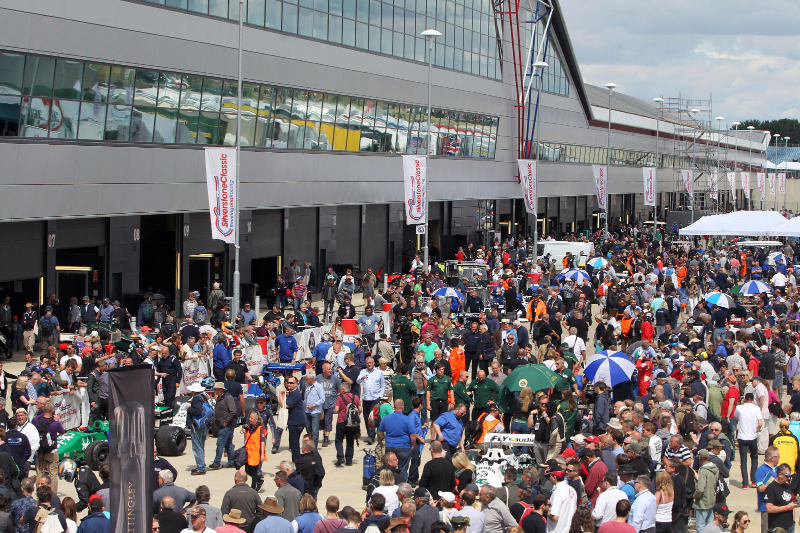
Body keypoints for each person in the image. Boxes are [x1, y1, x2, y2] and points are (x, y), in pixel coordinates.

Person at [378, 399, 415, 482]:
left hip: (390, 446)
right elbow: (413, 435)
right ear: (402, 407)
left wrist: (384, 438)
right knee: (403, 468)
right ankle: (401, 485)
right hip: (404, 446)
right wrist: (412, 445)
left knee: (389, 467)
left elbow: (380, 431)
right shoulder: (406, 419)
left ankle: (389, 483)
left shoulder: (386, 418)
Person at [735, 392, 763, 488]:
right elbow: (760, 423)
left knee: (743, 460)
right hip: (752, 436)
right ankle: (754, 480)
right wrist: (756, 430)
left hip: (742, 437)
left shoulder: (739, 407)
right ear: (753, 399)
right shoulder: (756, 408)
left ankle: (745, 483)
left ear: (745, 399)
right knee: (754, 458)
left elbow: (736, 416)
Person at [210, 382, 238, 470]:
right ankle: (231, 461)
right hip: (223, 424)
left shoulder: (228, 397)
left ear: (220, 389)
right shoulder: (220, 397)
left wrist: (226, 421)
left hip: (226, 425)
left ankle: (216, 463)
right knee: (228, 444)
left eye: (215, 389)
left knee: (220, 443)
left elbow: (233, 411)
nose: (214, 390)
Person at [358, 357, 386, 444]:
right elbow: (357, 381)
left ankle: (371, 436)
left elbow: (382, 385)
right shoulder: (363, 371)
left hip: (375, 398)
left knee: (372, 417)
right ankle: (370, 435)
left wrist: (380, 395)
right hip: (366, 398)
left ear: (373, 363)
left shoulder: (379, 372)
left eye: (370, 363)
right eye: (367, 363)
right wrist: (362, 378)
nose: (369, 364)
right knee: (366, 417)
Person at [279, 375, 307, 462]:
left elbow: (285, 406)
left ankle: (296, 462)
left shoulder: (295, 394)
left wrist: (280, 394)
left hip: (296, 422)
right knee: (294, 444)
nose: (289, 384)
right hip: (295, 422)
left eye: (291, 383)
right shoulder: (293, 393)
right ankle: (296, 461)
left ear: (296, 384)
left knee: (294, 444)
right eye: (288, 382)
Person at [763, 462, 796, 533]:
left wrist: (793, 521)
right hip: (778, 528)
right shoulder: (771, 488)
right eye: (787, 476)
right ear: (780, 475)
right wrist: (786, 508)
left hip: (790, 526)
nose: (789, 478)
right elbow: (769, 508)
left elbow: (791, 502)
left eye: (790, 476)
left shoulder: (787, 485)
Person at [186, 382, 210, 475]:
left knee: (197, 446)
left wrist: (188, 408)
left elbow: (197, 411)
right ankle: (201, 464)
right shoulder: (203, 397)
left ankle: (201, 468)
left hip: (197, 425)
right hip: (203, 425)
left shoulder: (196, 399)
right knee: (200, 445)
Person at [694, 450, 720, 533]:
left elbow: (700, 489)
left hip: (703, 502)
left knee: (700, 527)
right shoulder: (715, 468)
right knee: (710, 526)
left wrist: (695, 496)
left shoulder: (703, 470)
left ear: (700, 458)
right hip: (712, 500)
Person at [242, 411, 268, 491]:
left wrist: (262, 454)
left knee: (254, 471)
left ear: (256, 419)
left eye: (251, 418)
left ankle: (253, 488)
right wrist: (244, 433)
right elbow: (248, 439)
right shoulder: (249, 428)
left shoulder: (260, 429)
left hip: (256, 453)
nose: (249, 419)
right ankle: (259, 481)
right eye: (249, 417)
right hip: (249, 453)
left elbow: (262, 442)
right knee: (247, 470)